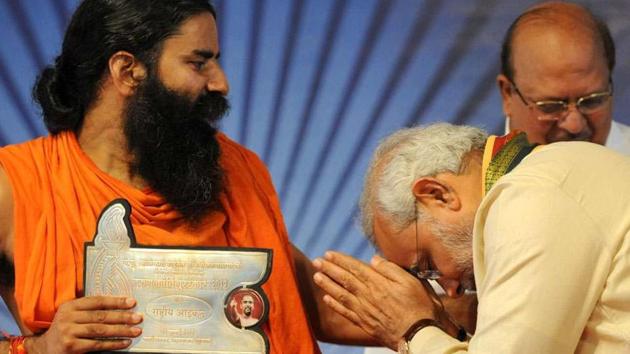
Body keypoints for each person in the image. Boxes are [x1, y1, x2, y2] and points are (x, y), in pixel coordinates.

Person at [0, 1, 328, 352]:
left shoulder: (232, 172)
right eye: (198, 63)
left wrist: (395, 311)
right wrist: (37, 348)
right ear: (127, 70)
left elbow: (305, 300)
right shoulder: (16, 186)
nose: (221, 83)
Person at [313, 123, 630, 353]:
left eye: (428, 265)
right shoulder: (552, 170)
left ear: (437, 194)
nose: (450, 288)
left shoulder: (531, 197)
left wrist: (412, 330)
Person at [498, 1, 630, 154]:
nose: (574, 126)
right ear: (507, 94)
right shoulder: (472, 174)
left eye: (592, 101)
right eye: (551, 106)